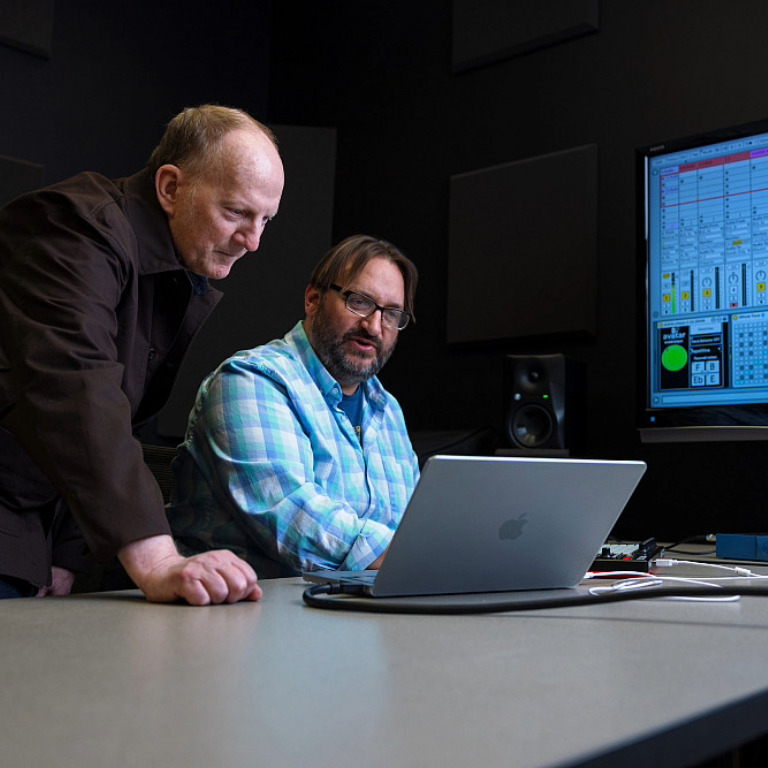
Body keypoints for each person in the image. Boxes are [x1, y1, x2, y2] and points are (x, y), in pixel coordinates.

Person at [0, 104, 285, 604]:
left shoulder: (174, 263)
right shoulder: (72, 228)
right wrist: (158, 560)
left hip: (35, 524)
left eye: (266, 219)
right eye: (237, 212)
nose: (253, 241)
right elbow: (75, 389)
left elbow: (118, 419)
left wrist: (66, 554)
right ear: (171, 188)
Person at [168, 235, 420, 577]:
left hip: (357, 611)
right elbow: (290, 512)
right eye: (359, 302)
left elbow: (411, 522)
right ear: (313, 300)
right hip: (242, 613)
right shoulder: (252, 380)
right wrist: (416, 556)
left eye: (391, 314)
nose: (373, 327)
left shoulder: (387, 410)